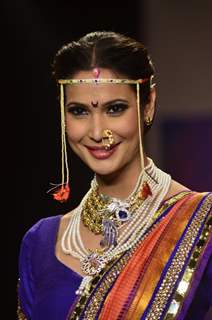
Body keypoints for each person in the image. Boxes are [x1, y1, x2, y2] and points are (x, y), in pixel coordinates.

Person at [17, 31, 212, 320]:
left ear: (148, 104)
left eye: (115, 108)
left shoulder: (201, 223)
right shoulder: (40, 242)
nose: (97, 132)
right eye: (79, 111)